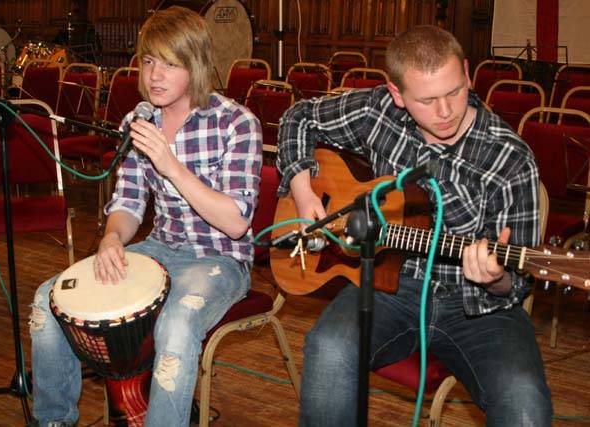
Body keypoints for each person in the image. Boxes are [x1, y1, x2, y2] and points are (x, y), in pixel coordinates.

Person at [276, 25, 552, 426]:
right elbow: (297, 117)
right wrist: (303, 190)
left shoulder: (510, 158)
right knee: (328, 347)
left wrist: (495, 279)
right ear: (396, 95)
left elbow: (516, 285)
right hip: (391, 283)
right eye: (426, 100)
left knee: (524, 400)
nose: (445, 112)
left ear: (467, 73)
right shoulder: (378, 112)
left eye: (454, 91)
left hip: (477, 305)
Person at [28, 6, 262, 427]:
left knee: (176, 325)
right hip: (159, 247)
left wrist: (171, 165)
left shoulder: (236, 122)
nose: (155, 75)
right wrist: (112, 238)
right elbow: (128, 203)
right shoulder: (140, 121)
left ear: (196, 64)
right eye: (150, 61)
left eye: (170, 64)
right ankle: (53, 420)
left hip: (220, 259)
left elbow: (236, 222)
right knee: (48, 303)